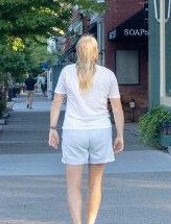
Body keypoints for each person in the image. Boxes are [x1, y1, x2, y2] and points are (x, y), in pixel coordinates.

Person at [47, 35, 124, 224]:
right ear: (96, 53)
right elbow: (117, 108)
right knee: (95, 184)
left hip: (74, 131)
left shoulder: (66, 72)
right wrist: (120, 134)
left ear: (77, 53)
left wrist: (52, 128)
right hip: (100, 131)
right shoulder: (108, 75)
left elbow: (57, 101)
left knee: (73, 186)